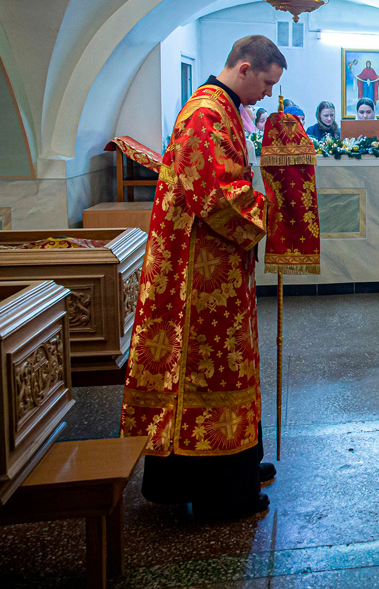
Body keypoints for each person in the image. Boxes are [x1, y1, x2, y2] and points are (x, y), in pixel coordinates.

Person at [121, 34, 285, 518]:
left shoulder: (225, 109)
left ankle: (235, 463)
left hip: (216, 267)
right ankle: (217, 490)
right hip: (196, 280)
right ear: (245, 67)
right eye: (267, 83)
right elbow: (217, 195)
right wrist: (272, 209)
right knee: (208, 366)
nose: (268, 94)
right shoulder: (206, 114)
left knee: (230, 360)